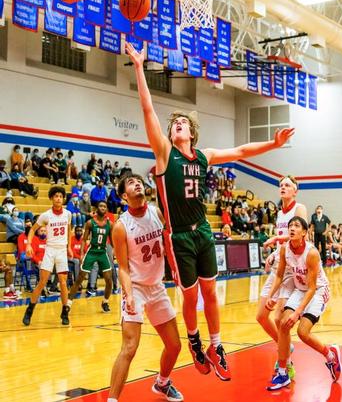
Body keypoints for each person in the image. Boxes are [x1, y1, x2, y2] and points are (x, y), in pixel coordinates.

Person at [126, 41, 295, 381]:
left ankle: (217, 345)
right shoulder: (164, 153)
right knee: (190, 297)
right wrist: (140, 67)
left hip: (202, 230)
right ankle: (194, 341)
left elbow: (241, 150)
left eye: (182, 123)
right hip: (178, 237)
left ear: (191, 133)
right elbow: (147, 110)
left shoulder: (204, 156)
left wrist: (273, 144)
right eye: (174, 123)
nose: (177, 125)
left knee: (210, 293)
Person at [107, 174, 183, 402]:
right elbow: (123, 268)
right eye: (131, 183)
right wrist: (128, 294)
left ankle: (162, 383)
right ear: (124, 196)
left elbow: (171, 244)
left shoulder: (157, 213)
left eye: (138, 181)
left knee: (174, 346)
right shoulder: (121, 226)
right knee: (130, 347)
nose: (137, 183)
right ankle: (112, 399)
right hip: (136, 288)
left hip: (157, 286)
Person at [265, 216, 341, 390]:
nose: (292, 228)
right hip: (300, 289)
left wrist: (297, 312)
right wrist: (271, 296)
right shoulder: (285, 249)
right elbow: (279, 276)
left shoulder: (311, 253)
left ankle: (330, 356)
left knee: (302, 332)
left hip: (318, 291)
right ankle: (283, 373)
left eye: (297, 226)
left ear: (305, 232)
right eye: (290, 225)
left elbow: (312, 287)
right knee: (283, 324)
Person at [258, 176, 307, 379]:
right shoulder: (279, 213)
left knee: (279, 319)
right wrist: (273, 253)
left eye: (287, 185)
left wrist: (277, 238)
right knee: (261, 316)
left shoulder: (299, 209)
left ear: (295, 190)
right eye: (281, 185)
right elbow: (282, 245)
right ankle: (284, 345)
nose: (283, 187)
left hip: (291, 269)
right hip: (278, 265)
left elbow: (302, 235)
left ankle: (285, 366)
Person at [22, 186, 73, 326]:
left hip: (61, 251)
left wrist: (69, 246)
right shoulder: (46, 215)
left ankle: (64, 312)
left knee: (63, 282)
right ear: (51, 198)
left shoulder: (68, 214)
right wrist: (28, 245)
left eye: (60, 196)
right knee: (43, 282)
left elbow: (69, 230)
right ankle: (29, 310)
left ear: (63, 199)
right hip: (50, 250)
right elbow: (32, 230)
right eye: (56, 196)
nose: (58, 199)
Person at [67, 201, 113, 313]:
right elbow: (84, 240)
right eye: (101, 206)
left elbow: (112, 241)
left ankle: (105, 302)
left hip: (102, 252)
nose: (103, 208)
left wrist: (115, 252)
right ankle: (68, 303)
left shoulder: (110, 224)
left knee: (109, 279)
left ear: (106, 209)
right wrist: (82, 253)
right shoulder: (90, 223)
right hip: (91, 251)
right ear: (96, 209)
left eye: (104, 206)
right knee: (80, 278)